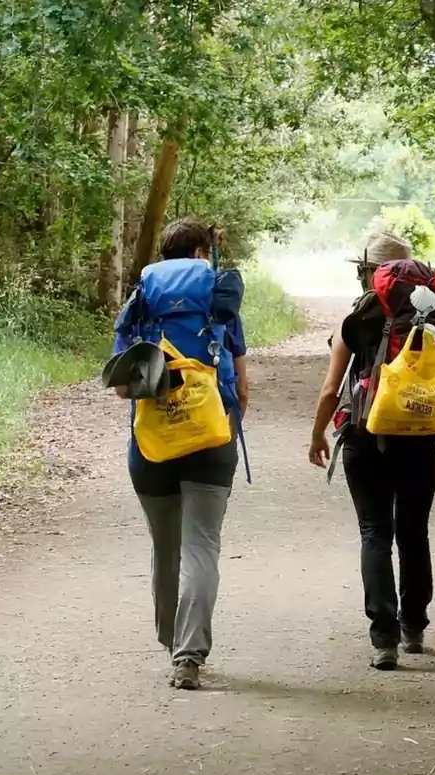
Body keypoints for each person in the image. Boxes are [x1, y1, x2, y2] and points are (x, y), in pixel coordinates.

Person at [307, 231, 435, 671]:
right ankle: (414, 627)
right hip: (422, 438)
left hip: (365, 438)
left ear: (369, 271)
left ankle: (383, 638)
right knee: (414, 533)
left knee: (375, 532)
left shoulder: (360, 314)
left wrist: (317, 435)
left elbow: (331, 388)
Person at [107, 217, 249, 690]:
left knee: (165, 548)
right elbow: (242, 387)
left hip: (152, 444)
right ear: (199, 254)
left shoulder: (141, 301)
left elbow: (121, 385)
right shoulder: (218, 298)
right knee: (202, 545)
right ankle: (189, 656)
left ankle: (173, 645)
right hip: (212, 437)